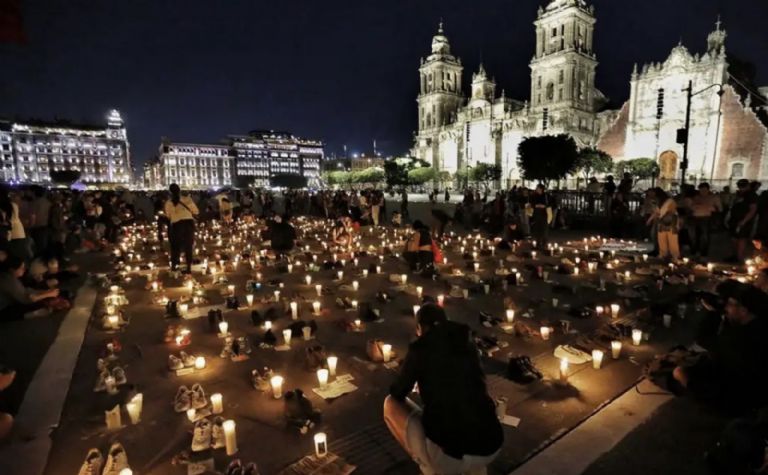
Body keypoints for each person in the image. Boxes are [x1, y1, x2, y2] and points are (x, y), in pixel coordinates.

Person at [384, 304, 503, 474]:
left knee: (390, 404)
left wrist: (415, 374)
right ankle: (475, 469)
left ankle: (429, 467)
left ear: (420, 328)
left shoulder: (421, 348)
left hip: (453, 455)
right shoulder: (466, 341)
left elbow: (398, 392)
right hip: (492, 444)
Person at [673, 281, 768, 409]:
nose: (726, 308)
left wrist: (713, 313)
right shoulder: (757, 325)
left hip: (740, 397)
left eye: (730, 304)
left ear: (744, 310)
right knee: (684, 357)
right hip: (745, 382)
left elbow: (704, 339)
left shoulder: (740, 340)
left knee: (676, 372)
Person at [0, 255, 59, 321]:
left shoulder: (8, 276)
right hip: (3, 309)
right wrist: (48, 294)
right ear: (12, 270)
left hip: (13, 298)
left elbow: (25, 290)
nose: (24, 269)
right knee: (38, 303)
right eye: (21, 268)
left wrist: (46, 292)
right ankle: (27, 314)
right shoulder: (9, 281)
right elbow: (27, 299)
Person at [164, 184, 199, 274]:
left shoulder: (169, 202)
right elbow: (196, 211)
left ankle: (174, 266)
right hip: (188, 224)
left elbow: (168, 215)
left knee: (175, 246)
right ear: (180, 190)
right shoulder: (187, 200)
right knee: (188, 246)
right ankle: (188, 267)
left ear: (170, 192)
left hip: (177, 225)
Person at [728, 179, 758, 262]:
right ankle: (735, 256)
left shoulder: (751, 195)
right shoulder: (740, 195)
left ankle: (739, 257)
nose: (741, 187)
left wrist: (744, 221)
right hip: (734, 220)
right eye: (740, 185)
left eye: (743, 186)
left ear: (748, 186)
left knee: (742, 239)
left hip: (744, 221)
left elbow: (753, 209)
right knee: (734, 238)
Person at [647, 188, 680, 261]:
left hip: (671, 222)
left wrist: (664, 217)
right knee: (661, 239)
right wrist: (650, 220)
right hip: (661, 222)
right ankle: (663, 255)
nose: (651, 196)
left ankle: (675, 256)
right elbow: (656, 212)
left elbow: (672, 211)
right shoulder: (656, 202)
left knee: (672, 240)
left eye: (652, 194)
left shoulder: (670, 201)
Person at [690, 183, 721, 257]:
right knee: (694, 235)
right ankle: (695, 250)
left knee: (705, 236)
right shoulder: (696, 197)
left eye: (704, 190)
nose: (702, 192)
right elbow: (691, 207)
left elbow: (720, 209)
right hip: (695, 217)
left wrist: (712, 208)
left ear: (708, 189)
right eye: (701, 190)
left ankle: (703, 252)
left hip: (706, 218)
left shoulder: (713, 197)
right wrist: (694, 207)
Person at [530, 184, 549, 250]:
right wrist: (536, 206)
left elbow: (548, 203)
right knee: (537, 229)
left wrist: (544, 206)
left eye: (538, 188)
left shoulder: (545, 195)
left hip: (544, 213)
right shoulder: (534, 195)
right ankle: (538, 243)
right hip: (536, 213)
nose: (537, 189)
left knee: (544, 228)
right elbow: (532, 203)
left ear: (541, 189)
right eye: (537, 188)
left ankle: (544, 243)